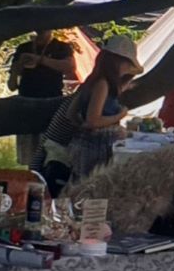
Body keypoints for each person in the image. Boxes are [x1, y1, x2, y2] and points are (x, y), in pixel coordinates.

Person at [35, 36, 140, 190]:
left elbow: (71, 113)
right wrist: (120, 115)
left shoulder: (93, 80)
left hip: (81, 146)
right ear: (117, 62)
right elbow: (93, 120)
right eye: (126, 64)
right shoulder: (102, 84)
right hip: (94, 148)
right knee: (90, 190)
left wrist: (81, 126)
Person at [8, 28, 75, 164]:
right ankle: (30, 176)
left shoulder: (61, 47)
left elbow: (70, 66)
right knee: (28, 152)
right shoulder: (24, 48)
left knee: (50, 149)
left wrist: (41, 60)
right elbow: (12, 84)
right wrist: (19, 65)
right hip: (27, 102)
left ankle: (47, 175)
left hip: (51, 102)